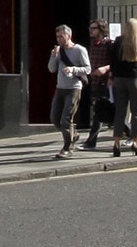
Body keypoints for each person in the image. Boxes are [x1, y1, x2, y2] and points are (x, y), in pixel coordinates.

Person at [47, 25, 90, 157]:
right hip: (60, 88)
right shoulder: (58, 51)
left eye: (61, 36)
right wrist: (53, 56)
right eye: (57, 37)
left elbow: (88, 69)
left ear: (69, 36)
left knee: (66, 119)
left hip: (74, 88)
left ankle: (67, 148)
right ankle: (73, 135)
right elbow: (51, 69)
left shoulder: (79, 50)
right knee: (55, 118)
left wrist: (73, 69)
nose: (59, 39)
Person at [109, 16, 137, 155]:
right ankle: (136, 142)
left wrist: (111, 76)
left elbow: (112, 60)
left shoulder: (118, 41)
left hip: (119, 78)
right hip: (135, 77)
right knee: (136, 111)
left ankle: (116, 143)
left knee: (120, 111)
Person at [81, 20, 113, 150]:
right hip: (94, 81)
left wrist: (106, 69)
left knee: (99, 112)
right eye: (90, 28)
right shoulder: (93, 45)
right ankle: (132, 134)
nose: (91, 31)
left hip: (105, 82)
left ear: (101, 29)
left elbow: (115, 62)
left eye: (93, 28)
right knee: (108, 112)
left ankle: (91, 142)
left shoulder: (109, 44)